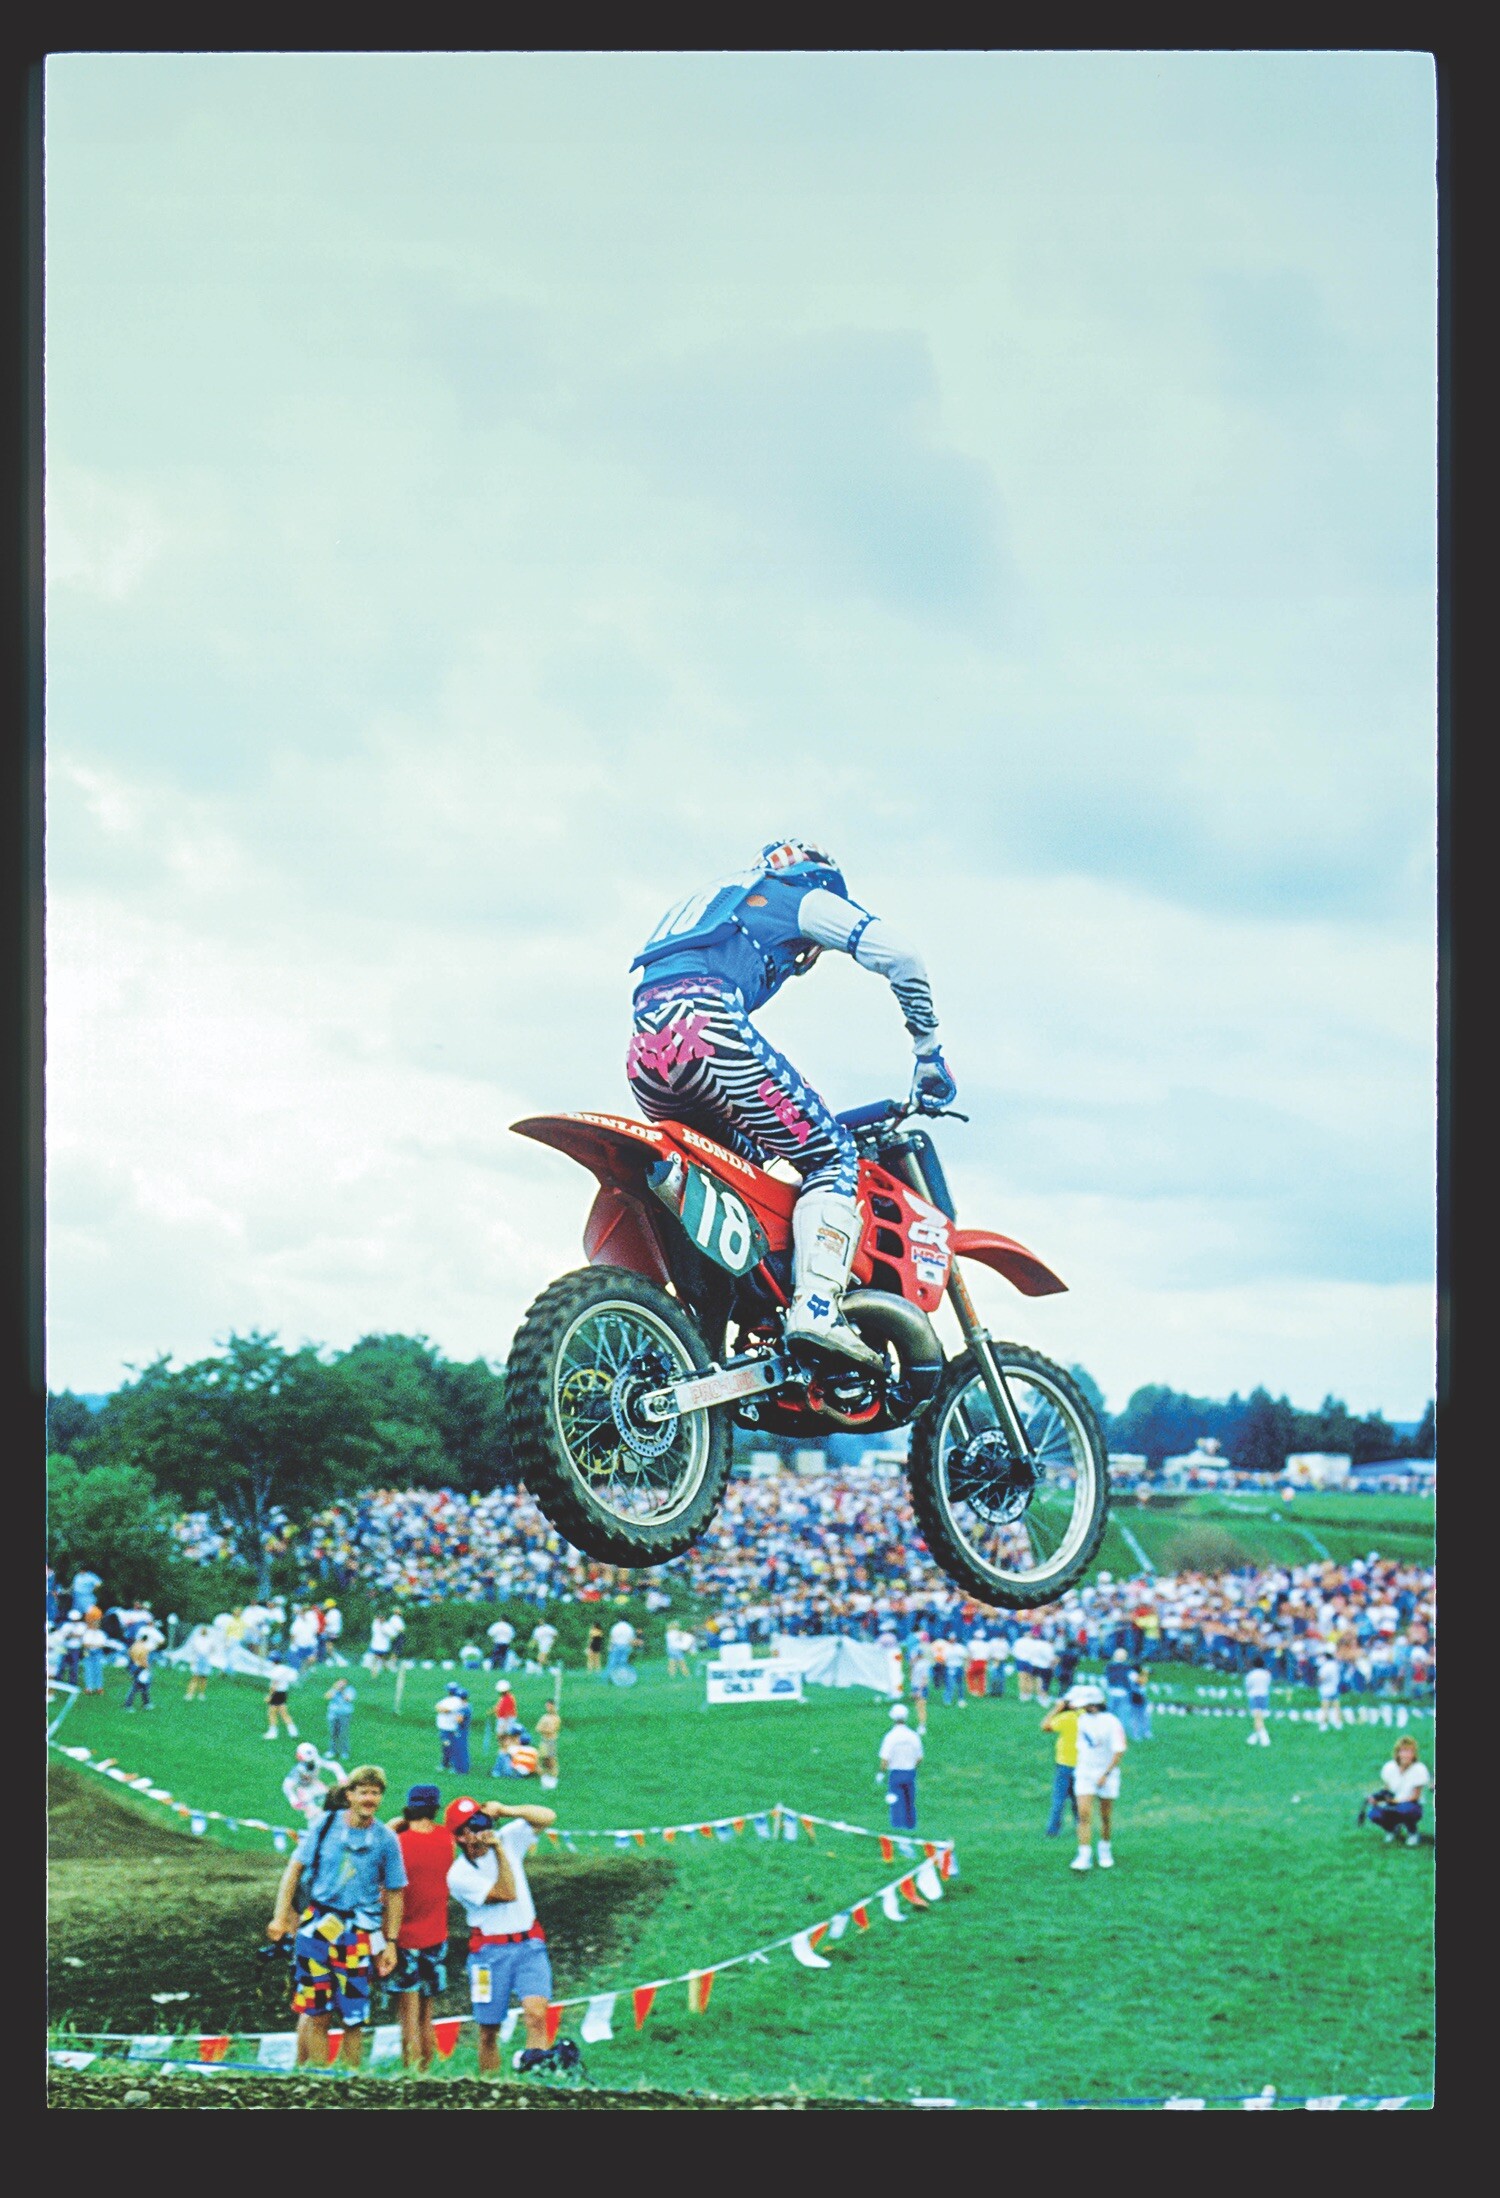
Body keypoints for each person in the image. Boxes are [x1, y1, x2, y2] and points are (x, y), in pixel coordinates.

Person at [627, 839, 957, 1368]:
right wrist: (928, 1054)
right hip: (707, 1028)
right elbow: (903, 957)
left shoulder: (715, 898)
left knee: (742, 1171)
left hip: (645, 1051)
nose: (806, 958)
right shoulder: (800, 893)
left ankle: (712, 1321)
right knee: (831, 1155)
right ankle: (819, 1307)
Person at [266, 1765, 407, 2070]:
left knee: (354, 2017)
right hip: (317, 1926)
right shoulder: (325, 1825)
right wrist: (280, 1917)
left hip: (357, 1932)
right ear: (350, 1795)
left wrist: (391, 1941)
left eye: (375, 1792)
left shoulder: (385, 1839)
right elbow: (295, 1869)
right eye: (363, 1791)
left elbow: (396, 1892)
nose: (369, 1798)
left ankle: (351, 2081)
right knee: (317, 2011)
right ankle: (319, 2079)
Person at [445, 1792, 558, 2074]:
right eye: (474, 1826)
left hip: (528, 1944)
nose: (483, 1830)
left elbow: (547, 1816)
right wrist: (498, 1850)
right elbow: (507, 1892)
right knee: (488, 2029)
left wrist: (506, 1809)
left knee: (536, 2015)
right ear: (461, 1837)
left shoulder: (507, 1838)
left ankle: (538, 2078)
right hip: (489, 1954)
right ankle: (491, 2088)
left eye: (483, 1822)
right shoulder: (459, 1875)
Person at [386, 1783, 456, 2072]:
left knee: (408, 2018)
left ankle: (410, 2075)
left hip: (404, 1938)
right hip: (437, 1936)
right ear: (435, 1809)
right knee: (427, 2016)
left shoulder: (397, 1842)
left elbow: (386, 1831)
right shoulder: (445, 1839)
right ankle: (428, 2075)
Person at [1069, 1683, 1127, 1872]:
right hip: (1085, 1772)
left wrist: (1106, 1774)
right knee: (1084, 1814)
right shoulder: (1082, 1720)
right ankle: (1084, 1854)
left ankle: (1105, 1850)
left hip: (1107, 1773)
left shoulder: (1112, 1722)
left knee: (1105, 1816)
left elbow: (1119, 1750)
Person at [1359, 1735, 1433, 1848]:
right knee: (1374, 1814)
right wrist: (1376, 1798)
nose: (1406, 1755)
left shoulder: (1419, 1769)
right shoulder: (1389, 1767)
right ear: (1397, 1753)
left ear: (1414, 1754)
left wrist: (1396, 1801)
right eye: (1403, 1751)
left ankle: (1412, 1832)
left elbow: (1415, 1796)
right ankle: (1391, 1829)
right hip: (1392, 1803)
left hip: (1411, 1804)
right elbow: (1387, 1789)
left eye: (1409, 1751)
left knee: (1405, 1810)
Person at [1039, 1688, 1082, 1839]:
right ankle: (1081, 1828)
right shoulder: (1085, 1717)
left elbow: (1045, 1726)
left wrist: (1056, 1709)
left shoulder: (1067, 1718)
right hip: (1082, 1765)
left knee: (1059, 1799)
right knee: (1078, 1800)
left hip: (1064, 1764)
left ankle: (1053, 1830)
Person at [878, 1701, 924, 1830]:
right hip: (910, 1772)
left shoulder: (890, 1736)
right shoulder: (913, 1736)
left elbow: (885, 1759)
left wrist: (881, 1773)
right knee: (910, 1802)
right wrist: (913, 1766)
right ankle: (911, 1828)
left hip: (895, 1773)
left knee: (896, 1803)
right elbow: (919, 1757)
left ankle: (898, 1830)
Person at [283, 1740, 347, 1826]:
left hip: (314, 1784)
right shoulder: (298, 1770)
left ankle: (332, 1823)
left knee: (331, 1803)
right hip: (303, 1789)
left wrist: (342, 1778)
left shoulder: (316, 1761)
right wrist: (293, 1799)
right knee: (312, 1813)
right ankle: (314, 1829)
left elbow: (334, 1766)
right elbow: (287, 1785)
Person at [122, 1617, 163, 1711]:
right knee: (137, 1686)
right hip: (140, 1668)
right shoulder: (144, 1648)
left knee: (144, 1686)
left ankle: (146, 1703)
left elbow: (130, 1654)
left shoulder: (134, 1646)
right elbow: (143, 1660)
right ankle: (128, 1704)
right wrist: (147, 1667)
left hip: (134, 1666)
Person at [436, 1683, 472, 1773]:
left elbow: (441, 1708)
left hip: (451, 1728)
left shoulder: (457, 1703)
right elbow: (439, 1708)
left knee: (450, 1746)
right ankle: (451, 1764)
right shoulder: (456, 1702)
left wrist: (448, 1710)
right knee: (451, 1747)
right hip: (451, 1728)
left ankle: (453, 1765)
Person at [263, 1657, 300, 1740]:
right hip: (284, 1692)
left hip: (276, 1693)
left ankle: (273, 1733)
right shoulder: (285, 1669)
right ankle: (293, 1732)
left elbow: (274, 1684)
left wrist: (269, 1696)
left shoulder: (275, 1670)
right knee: (284, 1713)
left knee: (271, 1713)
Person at [324, 1675, 356, 1759]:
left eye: (343, 1682)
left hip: (345, 1714)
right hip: (333, 1714)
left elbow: (348, 1699)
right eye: (340, 1682)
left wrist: (342, 1691)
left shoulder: (350, 1690)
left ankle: (344, 1752)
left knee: (343, 1733)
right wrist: (335, 1689)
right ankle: (332, 1750)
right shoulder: (334, 1689)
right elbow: (327, 1697)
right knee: (333, 1733)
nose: (341, 1684)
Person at [80, 1615, 111, 1697]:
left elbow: (102, 1645)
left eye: (97, 1624)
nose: (95, 1626)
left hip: (98, 1653)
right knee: (88, 1670)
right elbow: (85, 1644)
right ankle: (89, 1688)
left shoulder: (101, 1634)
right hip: (88, 1653)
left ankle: (99, 1687)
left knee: (98, 1670)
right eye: (94, 1624)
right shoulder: (87, 1633)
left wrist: (93, 1645)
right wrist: (94, 1645)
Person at [1245, 1656, 1273, 1747]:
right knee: (1260, 1716)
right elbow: (1268, 1683)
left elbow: (1247, 1685)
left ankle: (1264, 1737)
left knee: (1257, 1717)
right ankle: (1253, 1738)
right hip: (1264, 1695)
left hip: (1254, 1695)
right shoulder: (1266, 1674)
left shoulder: (1251, 1674)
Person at [184, 1624, 215, 1701]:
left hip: (205, 1660)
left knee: (204, 1678)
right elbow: (193, 1650)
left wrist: (208, 1654)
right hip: (197, 1659)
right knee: (195, 1677)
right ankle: (190, 1694)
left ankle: (201, 1694)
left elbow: (212, 1649)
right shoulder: (196, 1639)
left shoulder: (210, 1640)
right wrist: (192, 1659)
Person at [908, 1637, 933, 1731]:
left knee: (921, 1707)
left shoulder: (923, 1664)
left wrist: (920, 1690)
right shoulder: (916, 1664)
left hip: (920, 1687)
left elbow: (924, 1678)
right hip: (915, 1686)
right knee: (917, 1706)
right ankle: (920, 1723)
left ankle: (922, 1725)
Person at [536, 1699, 562, 1791]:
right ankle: (545, 1777)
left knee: (551, 1759)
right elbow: (538, 1728)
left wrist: (546, 1729)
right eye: (547, 1706)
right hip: (544, 1740)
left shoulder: (556, 1718)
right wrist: (546, 1729)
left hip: (551, 1741)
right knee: (542, 1759)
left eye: (550, 1706)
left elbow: (553, 1729)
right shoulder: (544, 1717)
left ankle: (553, 1777)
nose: (548, 1707)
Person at [1316, 1650, 1345, 1730]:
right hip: (1334, 1688)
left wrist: (1317, 1682)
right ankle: (1338, 1723)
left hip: (1326, 1689)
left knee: (1325, 1707)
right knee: (1336, 1706)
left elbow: (1322, 1678)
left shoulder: (1325, 1667)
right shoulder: (1335, 1665)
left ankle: (1324, 1724)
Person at [605, 1616, 637, 1684]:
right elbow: (631, 1639)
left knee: (612, 1662)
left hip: (616, 1646)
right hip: (626, 1646)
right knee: (623, 1663)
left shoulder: (615, 1627)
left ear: (619, 1620)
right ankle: (622, 1678)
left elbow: (612, 1637)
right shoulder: (629, 1627)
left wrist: (610, 1646)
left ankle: (609, 1678)